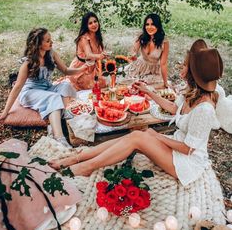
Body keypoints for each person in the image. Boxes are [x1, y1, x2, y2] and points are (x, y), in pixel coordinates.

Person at [49, 42, 223, 187]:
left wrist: (159, 137)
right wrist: (148, 92)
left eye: (185, 65)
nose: (181, 67)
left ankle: (86, 167)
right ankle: (78, 157)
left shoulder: (205, 110)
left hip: (186, 163)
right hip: (176, 146)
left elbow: (188, 148)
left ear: (194, 73)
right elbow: (173, 108)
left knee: (138, 137)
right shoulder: (192, 92)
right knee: (136, 135)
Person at [0, 28, 88, 147]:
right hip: (30, 92)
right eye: (48, 41)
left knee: (66, 85)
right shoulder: (28, 63)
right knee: (53, 97)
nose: (51, 42)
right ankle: (59, 138)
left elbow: (65, 70)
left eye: (51, 40)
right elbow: (17, 87)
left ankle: (69, 121)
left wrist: (82, 68)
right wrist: (5, 112)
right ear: (38, 44)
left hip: (47, 88)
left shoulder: (51, 54)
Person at [124, 13, 169, 88]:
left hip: (153, 70)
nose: (149, 27)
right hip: (140, 66)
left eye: (153, 24)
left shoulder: (164, 42)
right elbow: (133, 51)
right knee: (130, 85)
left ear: (158, 26)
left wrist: (165, 82)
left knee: (151, 89)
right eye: (147, 24)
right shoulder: (142, 37)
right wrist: (133, 55)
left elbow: (163, 64)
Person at [66, 12, 108, 90]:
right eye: (90, 23)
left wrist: (104, 55)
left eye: (95, 21)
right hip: (81, 68)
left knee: (103, 83)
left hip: (92, 68)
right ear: (86, 26)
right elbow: (89, 55)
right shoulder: (83, 38)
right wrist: (100, 56)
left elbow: (99, 53)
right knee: (93, 86)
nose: (94, 24)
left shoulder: (97, 36)